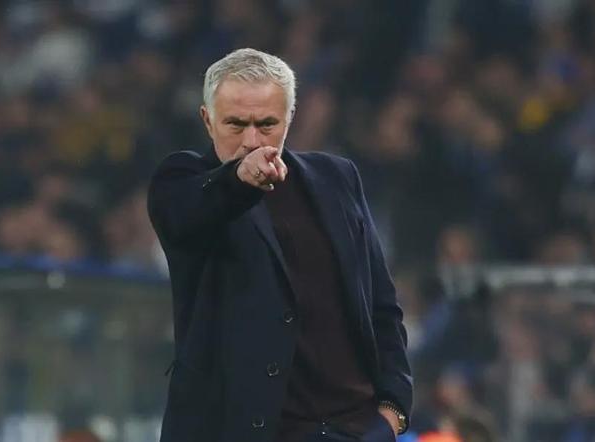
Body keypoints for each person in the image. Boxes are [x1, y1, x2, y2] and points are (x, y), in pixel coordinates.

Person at [147, 48, 412, 442]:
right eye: (236, 124)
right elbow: (188, 213)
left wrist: (392, 411)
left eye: (267, 124)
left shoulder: (336, 178)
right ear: (207, 119)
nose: (252, 140)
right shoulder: (183, 180)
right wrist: (239, 179)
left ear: (290, 117)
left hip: (354, 430)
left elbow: (381, 306)